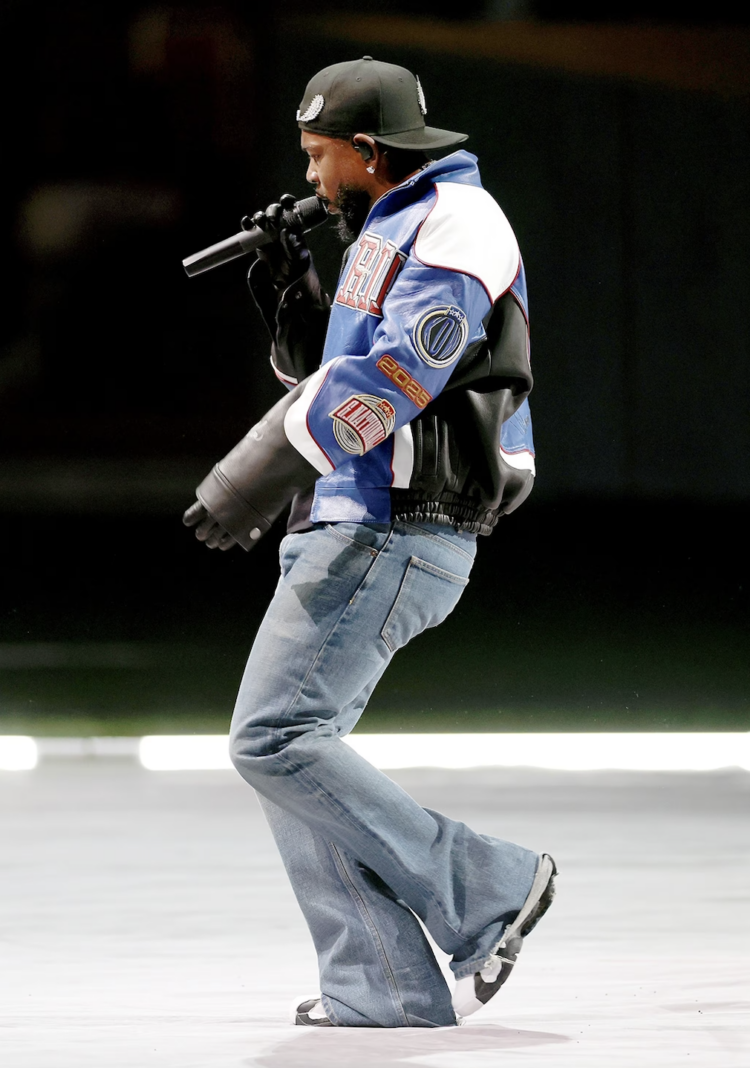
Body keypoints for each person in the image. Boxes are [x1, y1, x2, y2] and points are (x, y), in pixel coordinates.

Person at [183, 56, 556, 1029]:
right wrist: (296, 290)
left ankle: (486, 887)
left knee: (273, 739)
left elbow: (395, 376)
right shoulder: (389, 225)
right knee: (293, 752)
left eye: (319, 158)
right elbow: (334, 370)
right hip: (356, 521)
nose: (310, 180)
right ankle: (381, 983)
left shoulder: (457, 224)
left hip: (401, 526)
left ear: (371, 151)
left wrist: (251, 475)